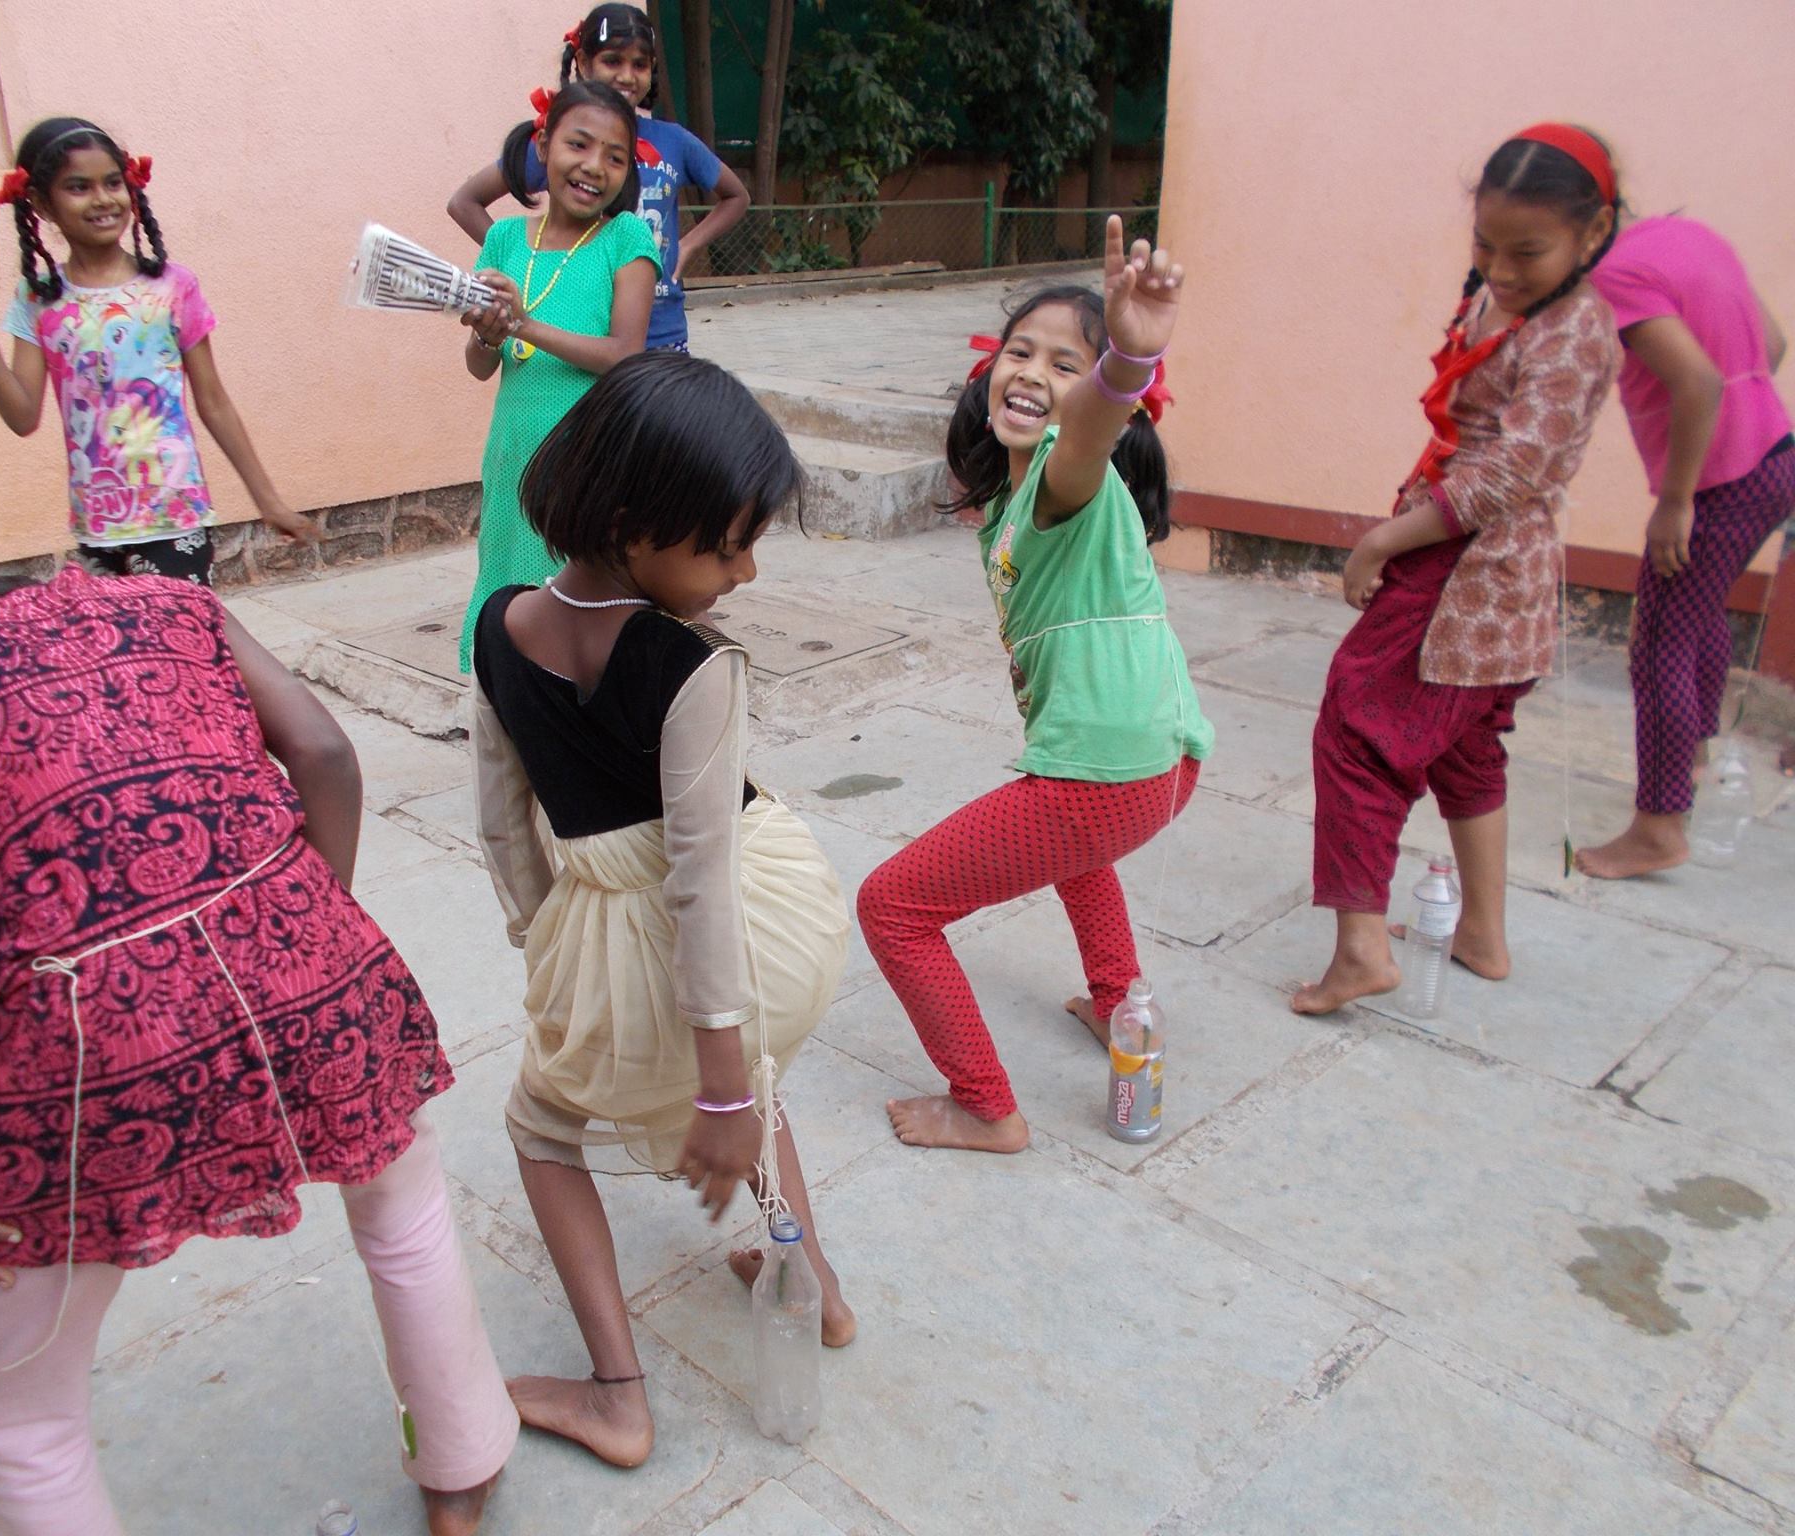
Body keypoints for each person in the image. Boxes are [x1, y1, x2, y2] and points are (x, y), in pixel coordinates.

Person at [0, 564, 514, 1535]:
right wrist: (302, 929)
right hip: (301, 949)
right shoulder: (169, 601)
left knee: (11, 1390)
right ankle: (462, 1461)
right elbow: (323, 751)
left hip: (98, 1037)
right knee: (402, 1201)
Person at [470, 352, 853, 1468]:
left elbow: (502, 827)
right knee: (751, 1085)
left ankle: (616, 1393)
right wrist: (722, 1085)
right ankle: (809, 1289)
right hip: (747, 947)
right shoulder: (695, 666)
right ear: (636, 521)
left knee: (543, 1126)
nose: (741, 570)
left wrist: (548, 950)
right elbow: (698, 879)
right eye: (725, 543)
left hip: (602, 930)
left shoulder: (496, 630)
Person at [856, 223, 1212, 1156]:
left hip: (1105, 775)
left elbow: (1090, 426)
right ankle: (1114, 1002)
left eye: (1065, 363)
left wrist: (1128, 356)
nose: (1031, 372)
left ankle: (985, 1103)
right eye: (1019, 351)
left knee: (893, 906)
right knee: (1076, 849)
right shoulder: (1017, 508)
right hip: (1162, 765)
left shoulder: (1069, 486)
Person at [1293, 125, 1623, 1014]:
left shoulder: (1575, 329)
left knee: (1361, 729)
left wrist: (1384, 539)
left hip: (1471, 572)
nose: (1503, 268)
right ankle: (1481, 934)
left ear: (1591, 237)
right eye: (1487, 244)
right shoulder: (1501, 295)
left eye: (1529, 251)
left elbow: (1513, 469)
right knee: (1466, 744)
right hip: (1467, 563)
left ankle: (1360, 951)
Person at [0, 117, 313, 585]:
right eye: (78, 187)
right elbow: (22, 417)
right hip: (98, 526)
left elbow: (213, 400)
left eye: (113, 182)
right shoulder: (39, 298)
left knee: (179, 651)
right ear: (40, 204)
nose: (102, 199)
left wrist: (267, 499)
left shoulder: (172, 287)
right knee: (120, 656)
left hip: (174, 517)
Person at [1570, 200, 1791, 876]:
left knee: (1661, 638)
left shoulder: (1615, 275)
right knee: (1697, 618)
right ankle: (1688, 758)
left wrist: (1677, 499)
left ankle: (1659, 827)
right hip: (1775, 452)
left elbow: (1697, 379)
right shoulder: (1690, 236)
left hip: (1718, 481)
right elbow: (1774, 342)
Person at [456, 80, 660, 673]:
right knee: (506, 584)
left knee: (579, 598)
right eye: (579, 145)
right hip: (514, 450)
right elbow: (478, 365)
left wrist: (523, 324)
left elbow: (626, 354)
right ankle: (503, 702)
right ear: (543, 145)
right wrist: (488, 332)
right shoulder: (502, 237)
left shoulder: (626, 239)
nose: (594, 167)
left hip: (589, 461)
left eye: (615, 157)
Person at [447, 3, 750, 355]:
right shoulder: (561, 147)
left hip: (663, 333)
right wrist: (529, 266)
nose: (626, 75)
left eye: (639, 64)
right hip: (583, 337)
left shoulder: (674, 141)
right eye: (612, 61)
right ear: (583, 62)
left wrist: (690, 244)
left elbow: (736, 196)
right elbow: (463, 203)